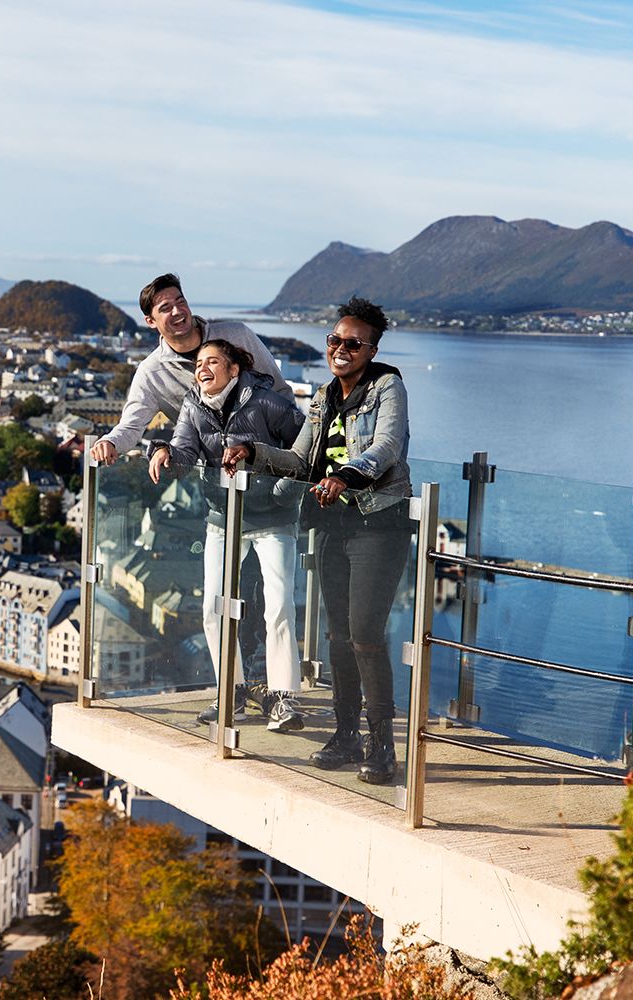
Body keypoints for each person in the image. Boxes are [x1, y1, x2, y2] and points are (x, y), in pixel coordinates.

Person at [238, 297, 411, 784]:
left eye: (353, 343)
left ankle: (383, 747)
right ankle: (345, 734)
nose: (340, 348)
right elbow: (300, 461)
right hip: (334, 527)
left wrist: (348, 476)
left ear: (371, 349)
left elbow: (387, 447)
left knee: (366, 636)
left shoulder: (387, 386)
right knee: (337, 637)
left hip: (380, 524)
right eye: (334, 340)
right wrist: (253, 452)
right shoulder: (322, 398)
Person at [148, 339, 306, 731]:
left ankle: (285, 699)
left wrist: (283, 489)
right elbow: (186, 450)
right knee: (214, 608)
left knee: (279, 606)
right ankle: (231, 692)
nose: (202, 368)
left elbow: (305, 448)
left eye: (212, 362)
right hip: (224, 515)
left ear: (234, 370)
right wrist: (164, 450)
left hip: (273, 516)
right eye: (199, 363)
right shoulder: (193, 404)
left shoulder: (267, 402)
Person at [87, 273, 283, 466]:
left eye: (180, 302)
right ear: (151, 322)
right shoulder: (152, 373)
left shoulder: (237, 335)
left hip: (273, 468)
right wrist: (109, 441)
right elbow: (131, 426)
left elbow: (280, 391)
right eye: (165, 308)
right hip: (217, 482)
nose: (177, 311)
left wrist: (289, 459)